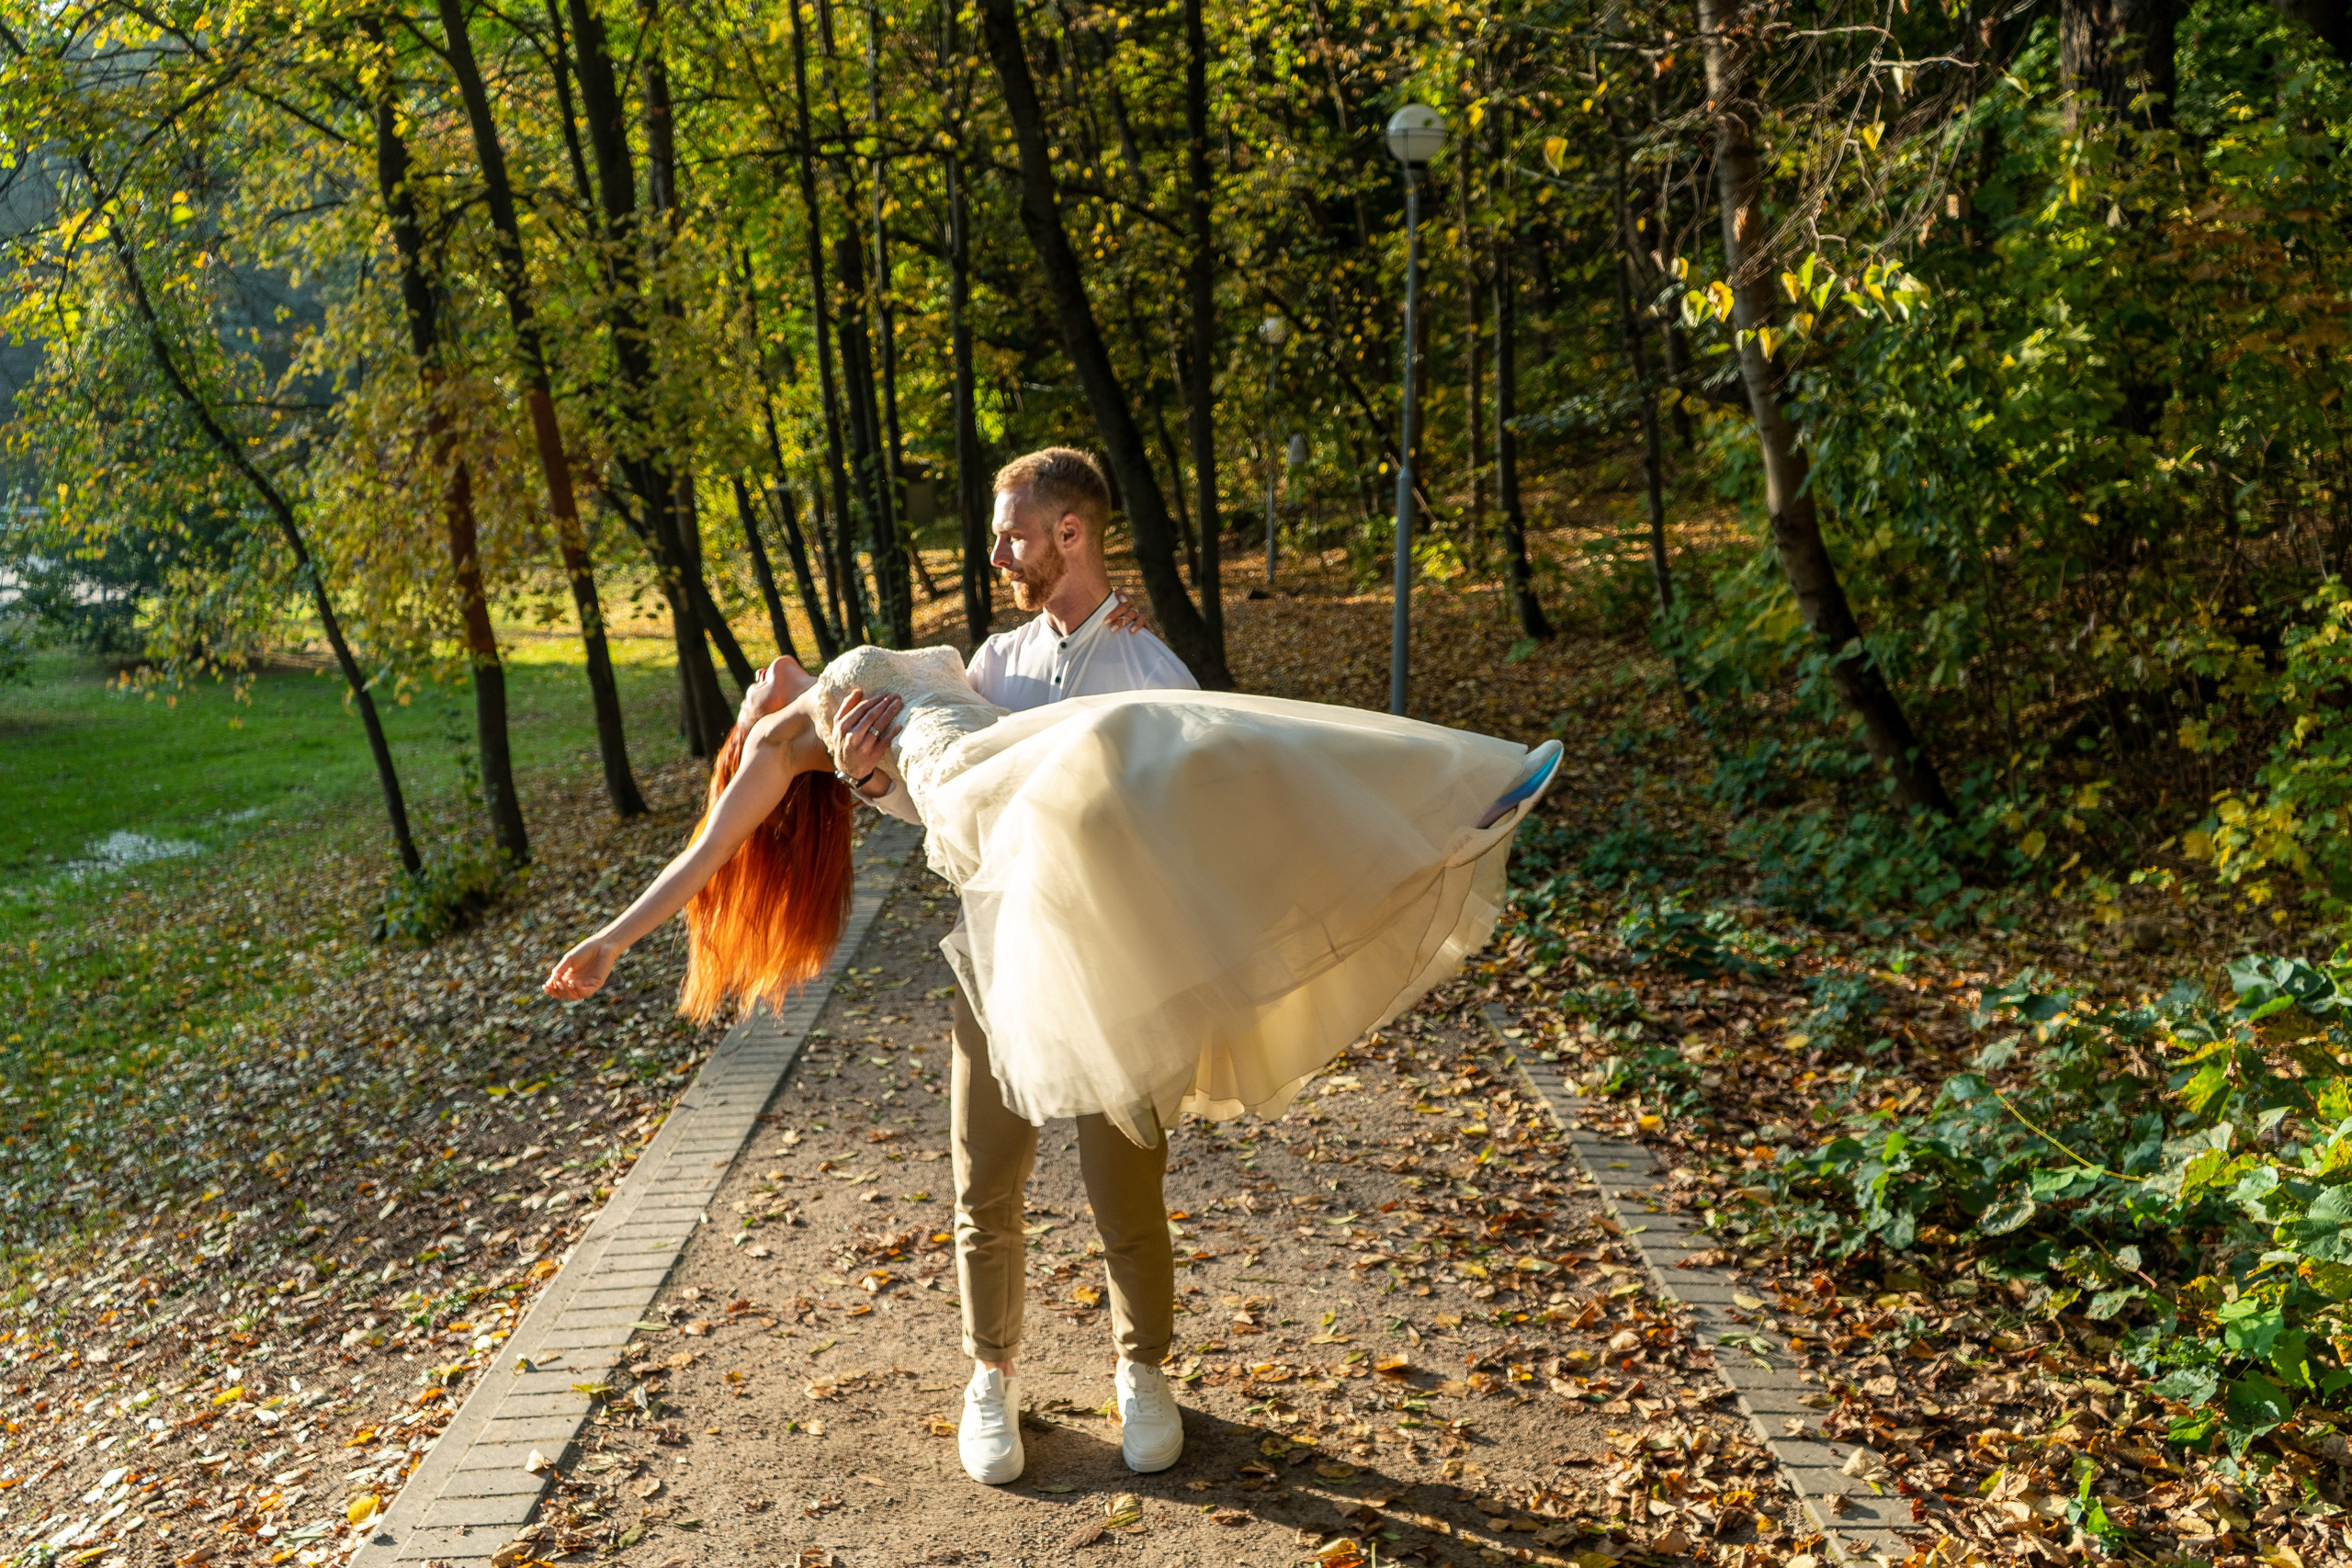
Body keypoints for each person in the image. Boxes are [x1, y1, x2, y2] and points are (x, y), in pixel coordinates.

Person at [543, 448, 1560, 1490]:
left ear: (1070, 534)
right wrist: (625, 933)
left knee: (1130, 1174)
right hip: (999, 936)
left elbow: (1199, 813)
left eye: (1013, 534)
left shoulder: (1082, 660)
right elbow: (733, 845)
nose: (995, 554)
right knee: (985, 1176)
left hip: (1127, 947)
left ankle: (1441, 810)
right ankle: (990, 1377)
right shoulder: (879, 704)